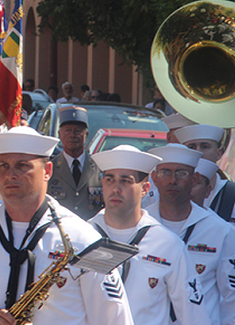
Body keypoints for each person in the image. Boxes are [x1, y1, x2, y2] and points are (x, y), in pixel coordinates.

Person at [0, 127, 134, 325]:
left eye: (22, 166)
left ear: (47, 171)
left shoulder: (84, 239)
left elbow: (115, 319)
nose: (11, 174)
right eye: (3, 166)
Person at [89, 145, 211, 325]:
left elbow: (193, 314)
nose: (116, 188)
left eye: (126, 181)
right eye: (109, 179)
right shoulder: (84, 236)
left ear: (145, 189)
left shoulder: (168, 244)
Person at [147, 144, 235, 324]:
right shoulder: (141, 225)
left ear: (195, 179)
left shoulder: (220, 231)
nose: (173, 180)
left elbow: (231, 297)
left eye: (181, 173)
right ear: (154, 179)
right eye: (165, 172)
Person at [48, 106, 103, 219]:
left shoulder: (99, 167)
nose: (72, 135)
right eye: (67, 130)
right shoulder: (49, 169)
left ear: (86, 135)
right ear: (59, 134)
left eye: (78, 131)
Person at [174, 124, 235, 222]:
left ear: (218, 154)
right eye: (192, 147)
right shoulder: (168, 189)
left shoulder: (231, 193)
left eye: (205, 146)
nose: (198, 152)